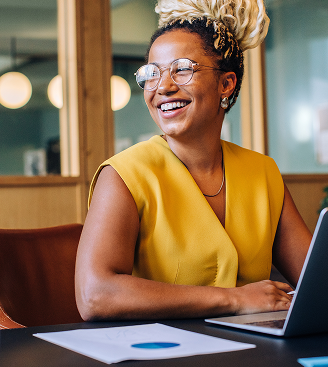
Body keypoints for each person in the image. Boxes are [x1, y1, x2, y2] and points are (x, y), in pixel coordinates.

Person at [75, 0, 312, 321]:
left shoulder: (262, 171)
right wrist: (234, 300)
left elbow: (316, 279)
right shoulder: (124, 174)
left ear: (226, 84)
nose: (163, 87)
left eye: (182, 69)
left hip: (257, 345)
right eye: (152, 74)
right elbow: (95, 295)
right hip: (165, 349)